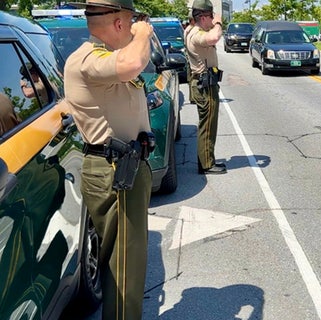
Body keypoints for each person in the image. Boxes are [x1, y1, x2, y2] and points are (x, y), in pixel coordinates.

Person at [62, 0, 154, 319]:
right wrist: (142, 34)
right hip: (116, 171)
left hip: (126, 166)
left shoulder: (107, 57)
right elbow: (131, 65)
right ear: (118, 24)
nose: (133, 30)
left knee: (127, 263)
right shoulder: (88, 59)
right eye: (130, 24)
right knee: (124, 271)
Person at [185, 0, 227, 174]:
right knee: (208, 125)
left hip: (204, 83)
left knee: (207, 124)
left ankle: (205, 159)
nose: (213, 19)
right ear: (202, 17)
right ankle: (207, 164)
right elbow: (214, 37)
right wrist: (218, 22)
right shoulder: (197, 35)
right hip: (205, 85)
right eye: (210, 16)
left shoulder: (192, 30)